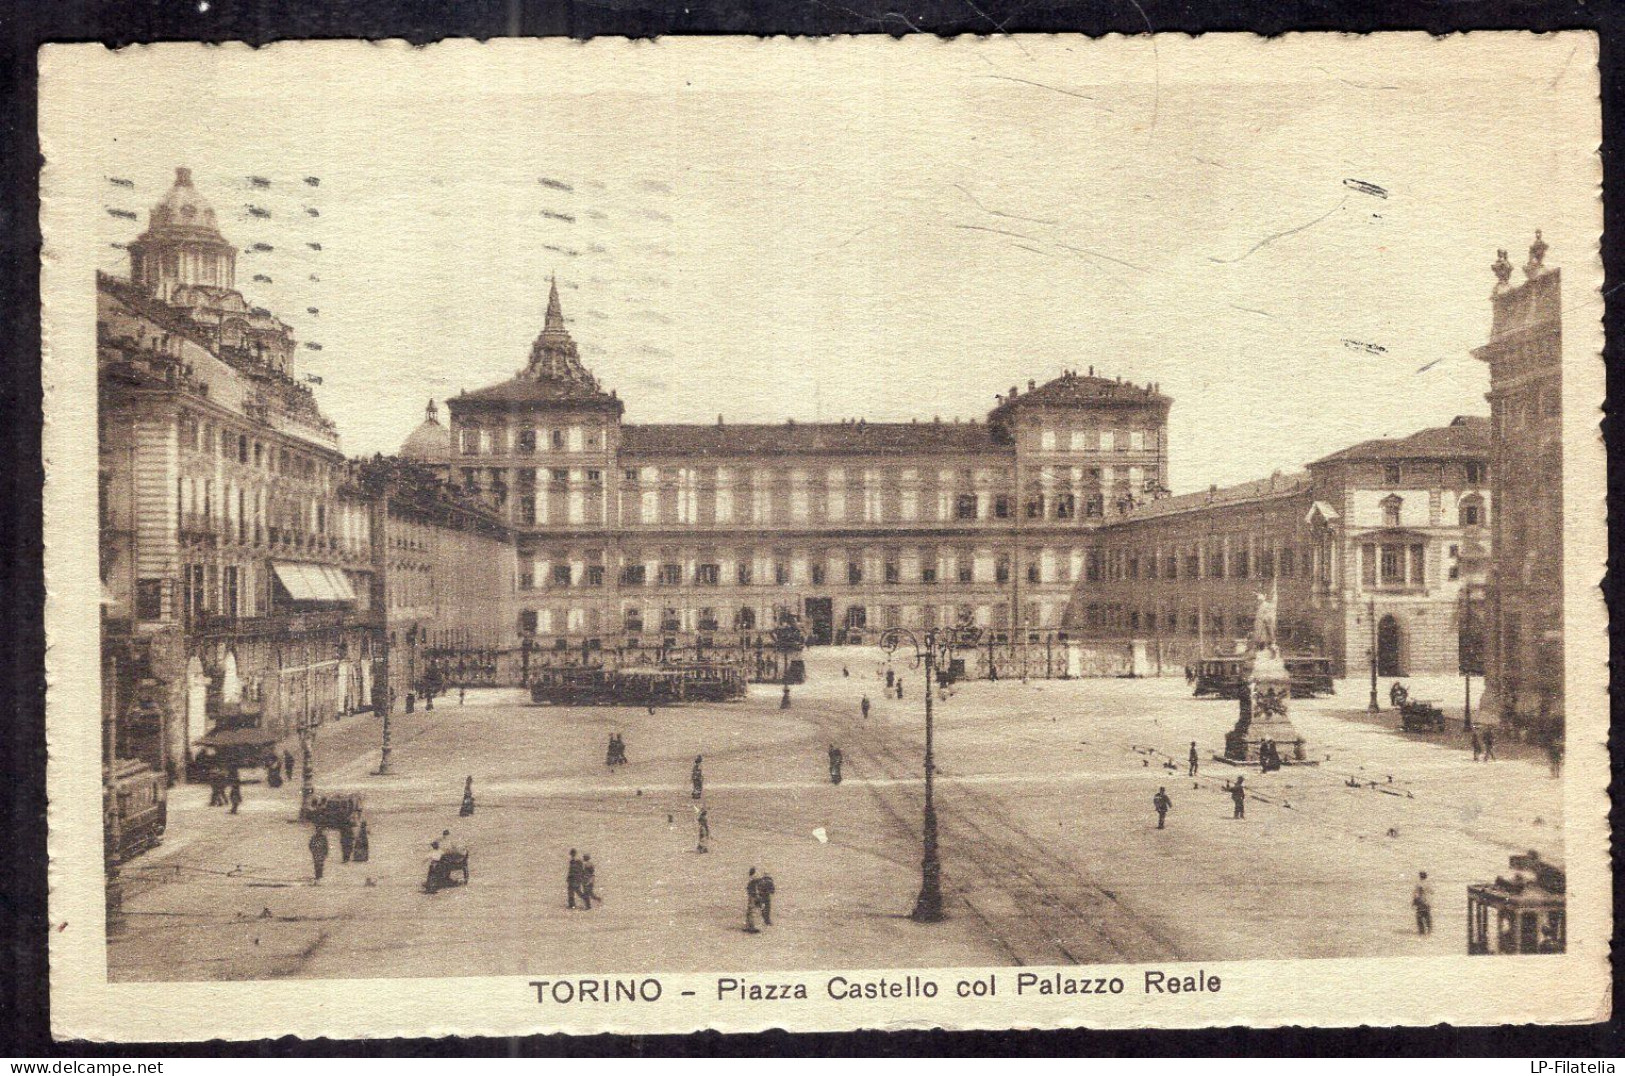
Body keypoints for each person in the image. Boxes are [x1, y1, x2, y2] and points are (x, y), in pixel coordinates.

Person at [744, 868, 761, 933]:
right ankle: (751, 926)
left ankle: (749, 926)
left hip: (751, 897)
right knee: (752, 911)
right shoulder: (754, 880)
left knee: (750, 911)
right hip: (753, 897)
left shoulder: (751, 880)